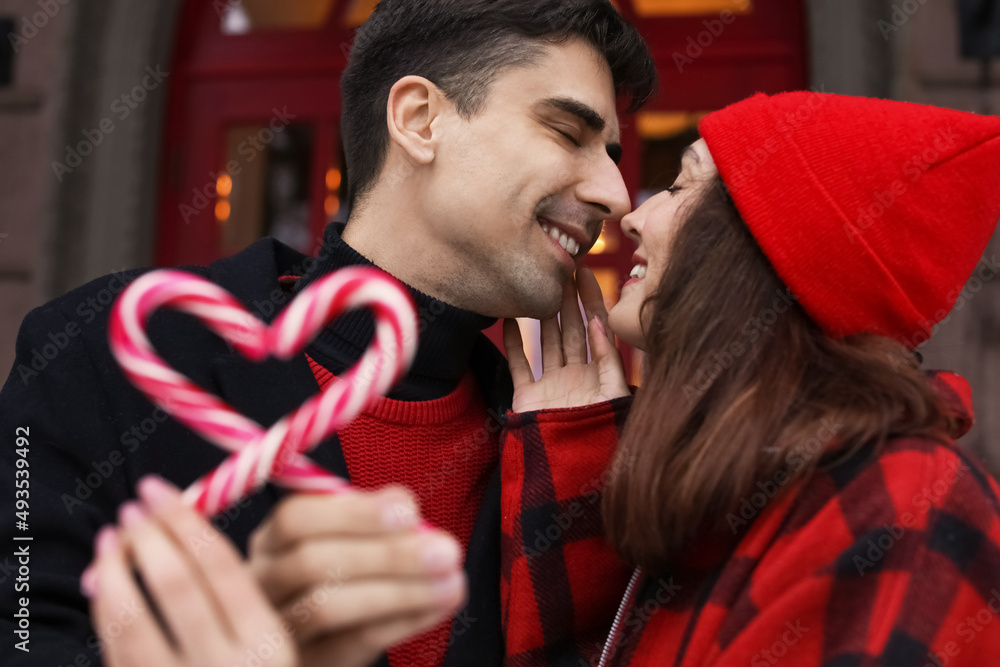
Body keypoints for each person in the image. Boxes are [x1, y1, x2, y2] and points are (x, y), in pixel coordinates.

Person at [0, 1, 656, 666]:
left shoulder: (548, 442)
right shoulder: (100, 353)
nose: (616, 195)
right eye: (569, 132)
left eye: (609, 154)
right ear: (420, 120)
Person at [500, 92, 1000, 665]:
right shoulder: (728, 482)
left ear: (766, 248)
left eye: (682, 185)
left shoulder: (902, 504)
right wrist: (579, 458)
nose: (632, 217)